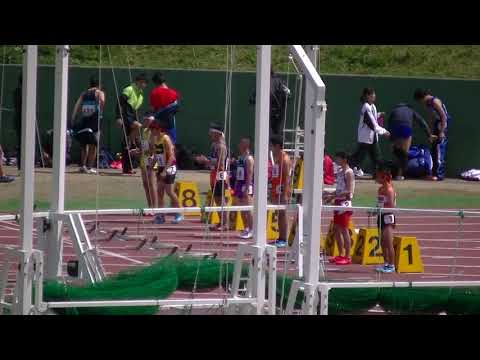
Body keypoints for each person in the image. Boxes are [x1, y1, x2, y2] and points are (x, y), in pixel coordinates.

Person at [194, 123, 230, 231]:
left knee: (221, 199)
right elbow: (214, 161)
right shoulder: (214, 145)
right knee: (217, 199)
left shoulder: (221, 146)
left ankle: (225, 223)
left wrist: (206, 161)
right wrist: (206, 161)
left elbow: (221, 164)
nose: (209, 134)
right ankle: (221, 222)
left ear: (217, 133)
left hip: (220, 175)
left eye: (211, 132)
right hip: (214, 174)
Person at [387, 103, 435, 180]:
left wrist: (391, 138)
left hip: (394, 129)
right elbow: (421, 121)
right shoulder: (410, 110)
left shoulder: (394, 110)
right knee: (404, 152)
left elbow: (389, 123)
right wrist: (429, 134)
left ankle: (393, 173)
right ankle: (400, 174)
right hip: (406, 128)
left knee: (397, 153)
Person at [149, 118, 183, 224]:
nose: (151, 131)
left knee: (169, 191)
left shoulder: (165, 139)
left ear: (158, 129)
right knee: (159, 192)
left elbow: (172, 157)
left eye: (153, 129)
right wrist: (151, 168)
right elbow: (156, 155)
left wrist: (165, 171)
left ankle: (178, 213)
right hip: (160, 167)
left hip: (169, 167)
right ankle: (161, 216)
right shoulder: (156, 139)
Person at [350, 88, 390, 177]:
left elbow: (373, 118)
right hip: (365, 138)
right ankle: (344, 168)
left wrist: (379, 114)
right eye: (372, 95)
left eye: (374, 94)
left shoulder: (372, 106)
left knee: (376, 157)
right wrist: (384, 132)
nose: (374, 96)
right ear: (367, 96)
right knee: (359, 158)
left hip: (372, 137)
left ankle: (378, 174)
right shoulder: (366, 107)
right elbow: (372, 124)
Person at [324, 151, 355, 265]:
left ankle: (347, 255)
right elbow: (339, 188)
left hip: (344, 203)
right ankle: (341, 253)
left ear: (344, 159)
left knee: (344, 229)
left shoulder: (349, 172)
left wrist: (333, 195)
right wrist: (330, 195)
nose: (336, 161)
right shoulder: (340, 171)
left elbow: (349, 190)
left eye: (338, 159)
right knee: (336, 229)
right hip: (338, 202)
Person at [414, 89, 451, 181]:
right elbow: (432, 117)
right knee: (434, 149)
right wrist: (430, 133)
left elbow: (443, 116)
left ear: (422, 98)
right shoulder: (428, 103)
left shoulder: (434, 101)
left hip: (442, 125)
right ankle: (434, 173)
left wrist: (442, 131)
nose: (421, 103)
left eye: (419, 101)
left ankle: (439, 175)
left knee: (439, 150)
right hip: (436, 125)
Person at [71, 76, 105, 174]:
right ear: (99, 85)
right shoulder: (99, 93)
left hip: (85, 120)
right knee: (93, 145)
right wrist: (100, 110)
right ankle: (89, 167)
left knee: (83, 144)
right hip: (94, 121)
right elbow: (102, 101)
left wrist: (73, 118)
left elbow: (77, 106)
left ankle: (83, 166)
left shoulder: (84, 93)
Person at [116, 73, 148, 175]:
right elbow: (119, 103)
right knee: (139, 128)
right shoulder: (129, 89)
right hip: (126, 116)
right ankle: (130, 140)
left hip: (131, 116)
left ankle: (127, 169)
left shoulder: (141, 95)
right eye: (144, 82)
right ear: (139, 81)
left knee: (127, 144)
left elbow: (134, 110)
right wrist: (118, 117)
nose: (145, 85)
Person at [249, 68, 291, 135]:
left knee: (266, 132)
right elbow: (288, 94)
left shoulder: (262, 82)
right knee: (276, 132)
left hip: (267, 112)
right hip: (278, 112)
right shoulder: (279, 81)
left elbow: (252, 99)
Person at [269, 134, 292, 248]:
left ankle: (284, 238)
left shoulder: (285, 159)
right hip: (276, 190)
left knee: (283, 214)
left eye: (272, 146)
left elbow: (287, 178)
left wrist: (284, 195)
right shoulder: (277, 157)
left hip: (282, 192)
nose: (270, 148)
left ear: (277, 146)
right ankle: (280, 237)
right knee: (279, 214)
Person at [130, 116, 156, 215]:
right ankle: (149, 207)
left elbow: (153, 150)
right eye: (144, 120)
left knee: (151, 184)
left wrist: (141, 152)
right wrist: (137, 151)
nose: (144, 122)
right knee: (146, 185)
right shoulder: (144, 131)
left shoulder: (154, 133)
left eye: (147, 120)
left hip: (152, 160)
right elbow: (144, 149)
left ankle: (154, 208)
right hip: (144, 160)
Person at [375, 162, 397, 274]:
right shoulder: (380, 189)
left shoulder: (389, 190)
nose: (376, 178)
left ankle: (392, 265)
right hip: (380, 216)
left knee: (388, 242)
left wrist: (382, 209)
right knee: (382, 242)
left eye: (378, 176)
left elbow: (391, 206)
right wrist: (375, 211)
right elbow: (379, 203)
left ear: (384, 177)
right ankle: (386, 263)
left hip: (388, 217)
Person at [232, 137, 254, 239]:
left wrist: (247, 188)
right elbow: (238, 172)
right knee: (241, 208)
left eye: (240, 143)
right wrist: (236, 184)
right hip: (239, 184)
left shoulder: (249, 158)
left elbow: (249, 174)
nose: (238, 145)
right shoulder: (240, 157)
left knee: (248, 208)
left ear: (245, 145)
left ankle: (252, 229)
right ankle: (246, 228)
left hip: (246, 185)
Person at [149, 73, 179, 145]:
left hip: (158, 124)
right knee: (171, 144)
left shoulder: (154, 93)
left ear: (155, 82)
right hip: (170, 123)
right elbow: (175, 109)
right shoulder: (174, 93)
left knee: (159, 145)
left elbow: (152, 109)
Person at [13, 75, 22, 171]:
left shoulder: (16, 91)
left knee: (20, 142)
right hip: (21, 119)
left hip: (17, 119)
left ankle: (21, 165)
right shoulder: (21, 91)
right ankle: (21, 165)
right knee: (22, 143)